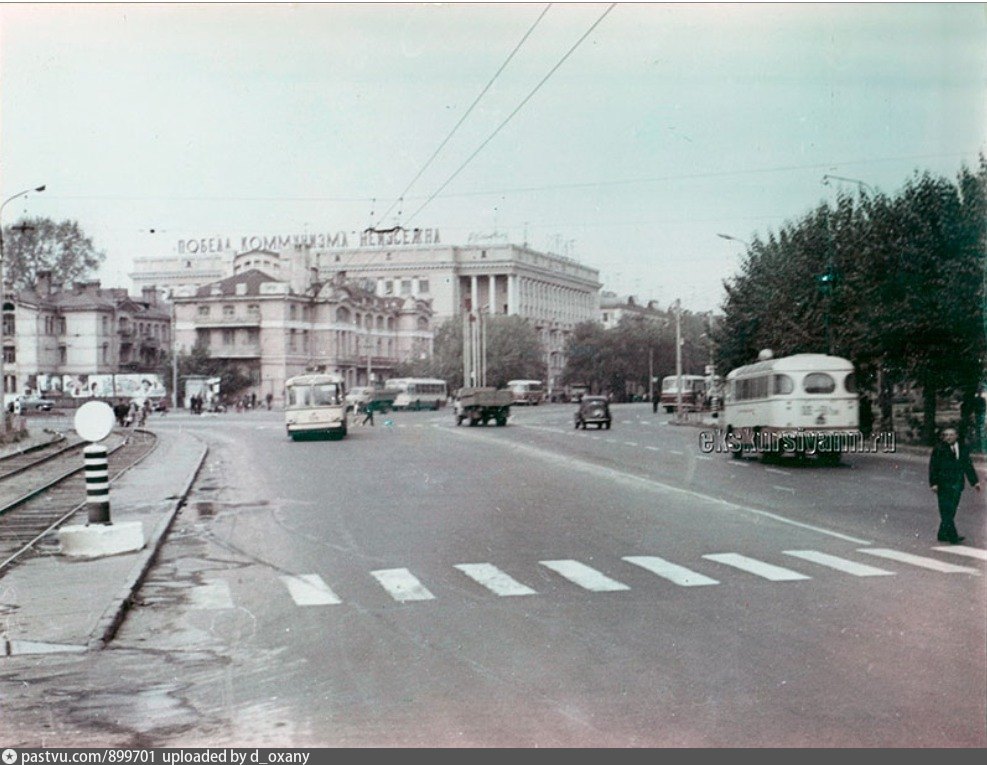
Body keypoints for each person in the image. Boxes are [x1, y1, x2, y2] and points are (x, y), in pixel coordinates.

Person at [928, 427, 981, 544]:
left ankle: (942, 534)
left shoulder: (962, 448)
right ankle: (953, 536)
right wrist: (933, 483)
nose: (948, 437)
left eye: (951, 435)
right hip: (943, 484)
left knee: (951, 510)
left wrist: (975, 482)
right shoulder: (939, 449)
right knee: (945, 510)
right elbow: (933, 467)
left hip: (957, 484)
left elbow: (968, 466)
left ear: (956, 436)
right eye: (945, 435)